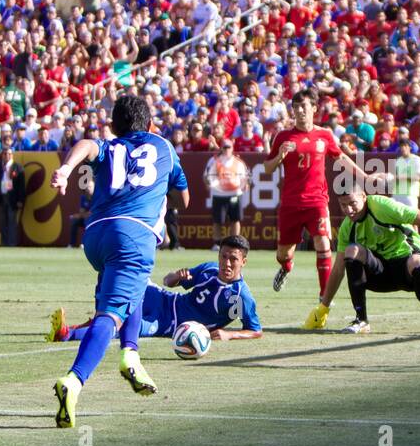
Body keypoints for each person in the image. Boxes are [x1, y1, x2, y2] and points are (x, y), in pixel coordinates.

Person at [50, 94, 189, 428]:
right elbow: (184, 198)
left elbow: (86, 143)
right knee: (109, 316)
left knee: (135, 290)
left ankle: (130, 356)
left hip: (96, 235)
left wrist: (67, 169)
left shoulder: (111, 145)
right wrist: (165, 199)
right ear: (151, 125)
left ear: (113, 126)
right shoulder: (165, 148)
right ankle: (74, 380)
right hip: (133, 237)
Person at [302, 183, 420, 334]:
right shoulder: (347, 227)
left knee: (417, 262)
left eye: (352, 203)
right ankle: (361, 321)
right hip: (381, 276)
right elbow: (339, 270)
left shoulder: (383, 206)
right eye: (343, 205)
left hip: (408, 270)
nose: (348, 210)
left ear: (364, 196)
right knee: (352, 251)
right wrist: (323, 307)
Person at [263, 88, 382, 296]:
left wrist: (364, 177)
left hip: (317, 200)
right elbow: (267, 168)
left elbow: (341, 158)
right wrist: (280, 156)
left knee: (323, 242)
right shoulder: (283, 136)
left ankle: (324, 295)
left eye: (304, 106)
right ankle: (286, 266)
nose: (300, 111)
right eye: (296, 107)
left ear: (314, 108)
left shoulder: (324, 135)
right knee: (283, 253)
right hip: (291, 202)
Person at [48, 235, 262, 345]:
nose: (227, 263)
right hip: (163, 299)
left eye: (233, 259)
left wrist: (229, 334)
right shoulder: (209, 269)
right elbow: (167, 281)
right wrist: (177, 277)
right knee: (117, 270)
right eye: (223, 256)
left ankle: (67, 334)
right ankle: (99, 317)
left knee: (125, 330)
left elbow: (255, 330)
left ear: (243, 261)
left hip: (169, 324)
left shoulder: (241, 296)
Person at [205, 138, 249, 249]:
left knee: (235, 219)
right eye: (224, 147)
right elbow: (207, 176)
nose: (226, 150)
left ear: (232, 148)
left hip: (234, 194)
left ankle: (235, 243)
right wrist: (211, 184)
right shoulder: (214, 160)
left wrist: (244, 185)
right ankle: (217, 243)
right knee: (218, 220)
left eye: (228, 147)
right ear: (221, 148)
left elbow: (244, 177)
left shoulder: (238, 162)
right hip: (219, 194)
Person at [0, 146, 27, 246]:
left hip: (13, 197)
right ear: (2, 155)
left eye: (9, 154)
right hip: (1, 196)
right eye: (5, 154)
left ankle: (11, 243)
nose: (7, 156)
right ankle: (4, 243)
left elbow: (21, 186)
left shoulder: (17, 167)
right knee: (3, 221)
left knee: (12, 221)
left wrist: (20, 200)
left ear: (12, 155)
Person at [391, 136, 420, 208]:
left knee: (412, 218)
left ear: (410, 147)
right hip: (396, 195)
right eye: (401, 146)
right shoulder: (397, 160)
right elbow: (394, 177)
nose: (403, 148)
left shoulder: (417, 159)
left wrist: (402, 177)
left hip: (410, 195)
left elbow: (419, 178)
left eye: (405, 146)